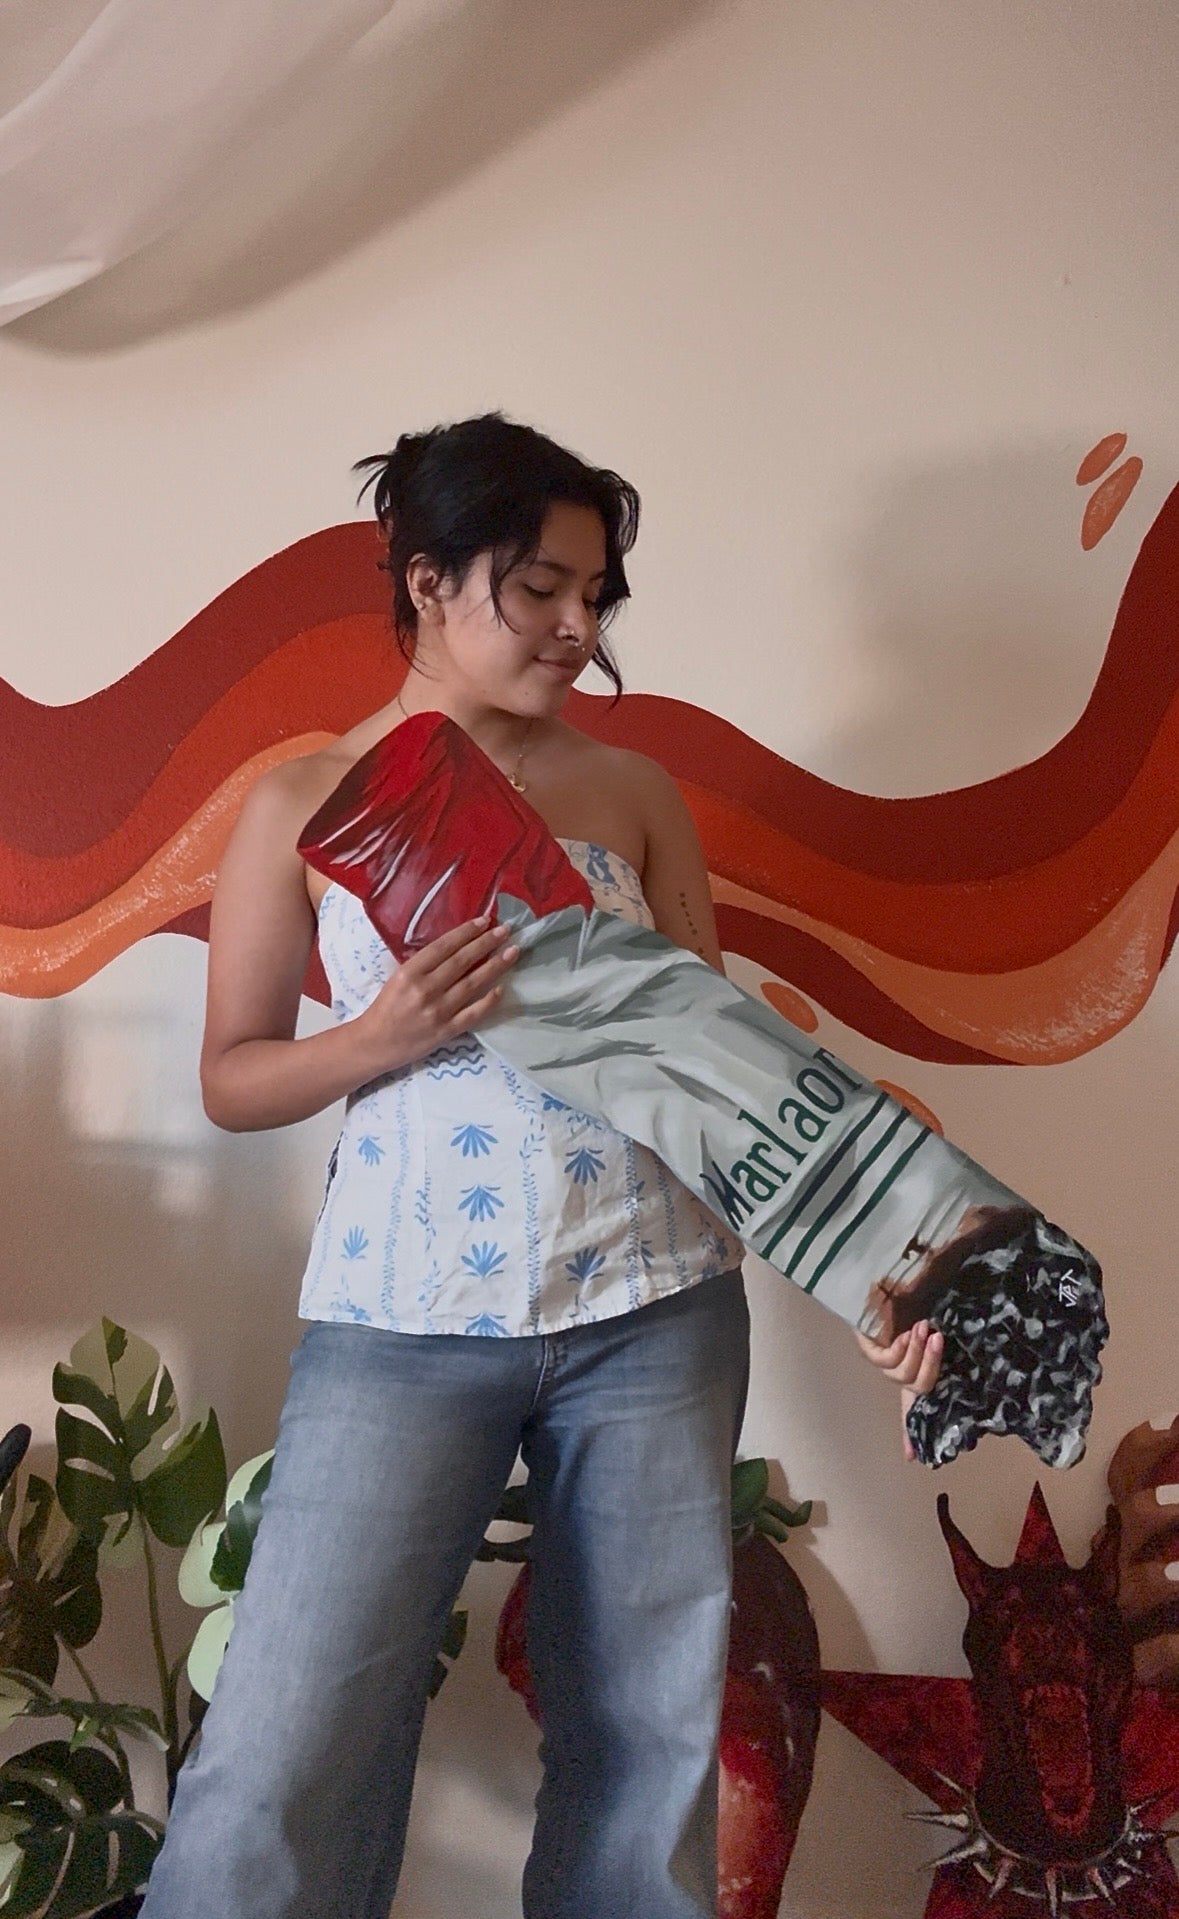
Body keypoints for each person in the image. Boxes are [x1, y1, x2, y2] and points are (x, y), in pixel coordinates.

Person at [140, 413, 939, 1918]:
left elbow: (728, 1085)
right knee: (284, 1745)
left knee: (645, 1749)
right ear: (429, 580)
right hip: (400, 1315)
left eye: (596, 595)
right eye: (540, 589)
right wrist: (377, 1038)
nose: (580, 627)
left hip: (655, 1311)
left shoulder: (632, 795)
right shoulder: (300, 801)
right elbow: (233, 1076)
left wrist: (882, 1269)